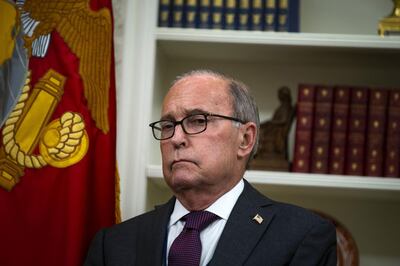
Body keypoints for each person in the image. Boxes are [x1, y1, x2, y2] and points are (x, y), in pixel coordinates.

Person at [84, 69, 337, 266]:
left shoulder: (302, 236)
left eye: (197, 120)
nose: (176, 138)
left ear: (245, 139)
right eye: (168, 125)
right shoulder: (113, 244)